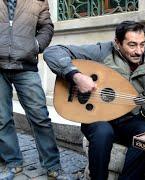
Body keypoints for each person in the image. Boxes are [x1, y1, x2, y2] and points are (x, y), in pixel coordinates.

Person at [43, 21, 145, 180]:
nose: (139, 51)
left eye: (142, 44)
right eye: (132, 45)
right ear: (117, 43)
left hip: (128, 118)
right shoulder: (102, 52)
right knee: (103, 132)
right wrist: (76, 76)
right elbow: (52, 52)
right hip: (96, 116)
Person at [0, 0, 72, 179]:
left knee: (40, 117)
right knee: (2, 118)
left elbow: (47, 27)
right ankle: (13, 162)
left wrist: (36, 46)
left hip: (26, 66)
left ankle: (53, 166)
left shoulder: (37, 1)